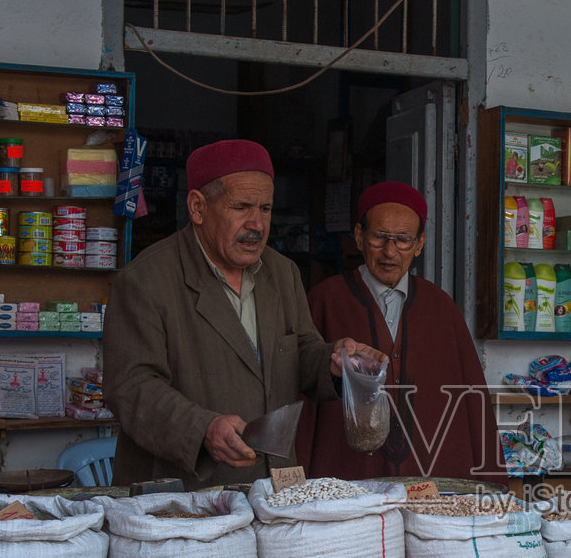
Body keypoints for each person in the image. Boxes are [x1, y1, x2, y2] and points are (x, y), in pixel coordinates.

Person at [104, 139, 381, 487]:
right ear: (198, 208)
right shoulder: (146, 281)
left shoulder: (281, 273)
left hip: (271, 486)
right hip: (185, 493)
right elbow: (131, 387)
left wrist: (332, 362)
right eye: (241, 207)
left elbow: (301, 350)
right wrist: (203, 428)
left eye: (265, 209)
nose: (257, 224)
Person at [297, 181, 502, 480]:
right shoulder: (325, 300)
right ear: (359, 236)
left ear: (419, 244)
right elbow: (300, 393)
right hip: (347, 475)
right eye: (379, 237)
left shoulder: (441, 308)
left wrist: (491, 482)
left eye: (403, 240)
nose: (390, 252)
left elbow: (472, 401)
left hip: (428, 475)